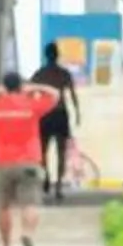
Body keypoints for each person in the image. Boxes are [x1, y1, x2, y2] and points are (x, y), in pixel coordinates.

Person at [0, 71, 60, 246]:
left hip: (2, 161)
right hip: (29, 161)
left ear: (5, 85)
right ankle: (27, 234)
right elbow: (55, 94)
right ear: (21, 85)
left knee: (3, 207)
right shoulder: (32, 104)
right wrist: (35, 88)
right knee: (30, 204)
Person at [29, 43, 83, 201]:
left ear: (46, 55)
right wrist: (77, 113)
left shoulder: (40, 74)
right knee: (60, 152)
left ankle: (46, 176)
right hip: (60, 114)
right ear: (57, 55)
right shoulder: (64, 74)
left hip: (45, 114)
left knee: (43, 151)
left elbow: (31, 94)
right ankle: (58, 186)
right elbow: (72, 95)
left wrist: (33, 113)